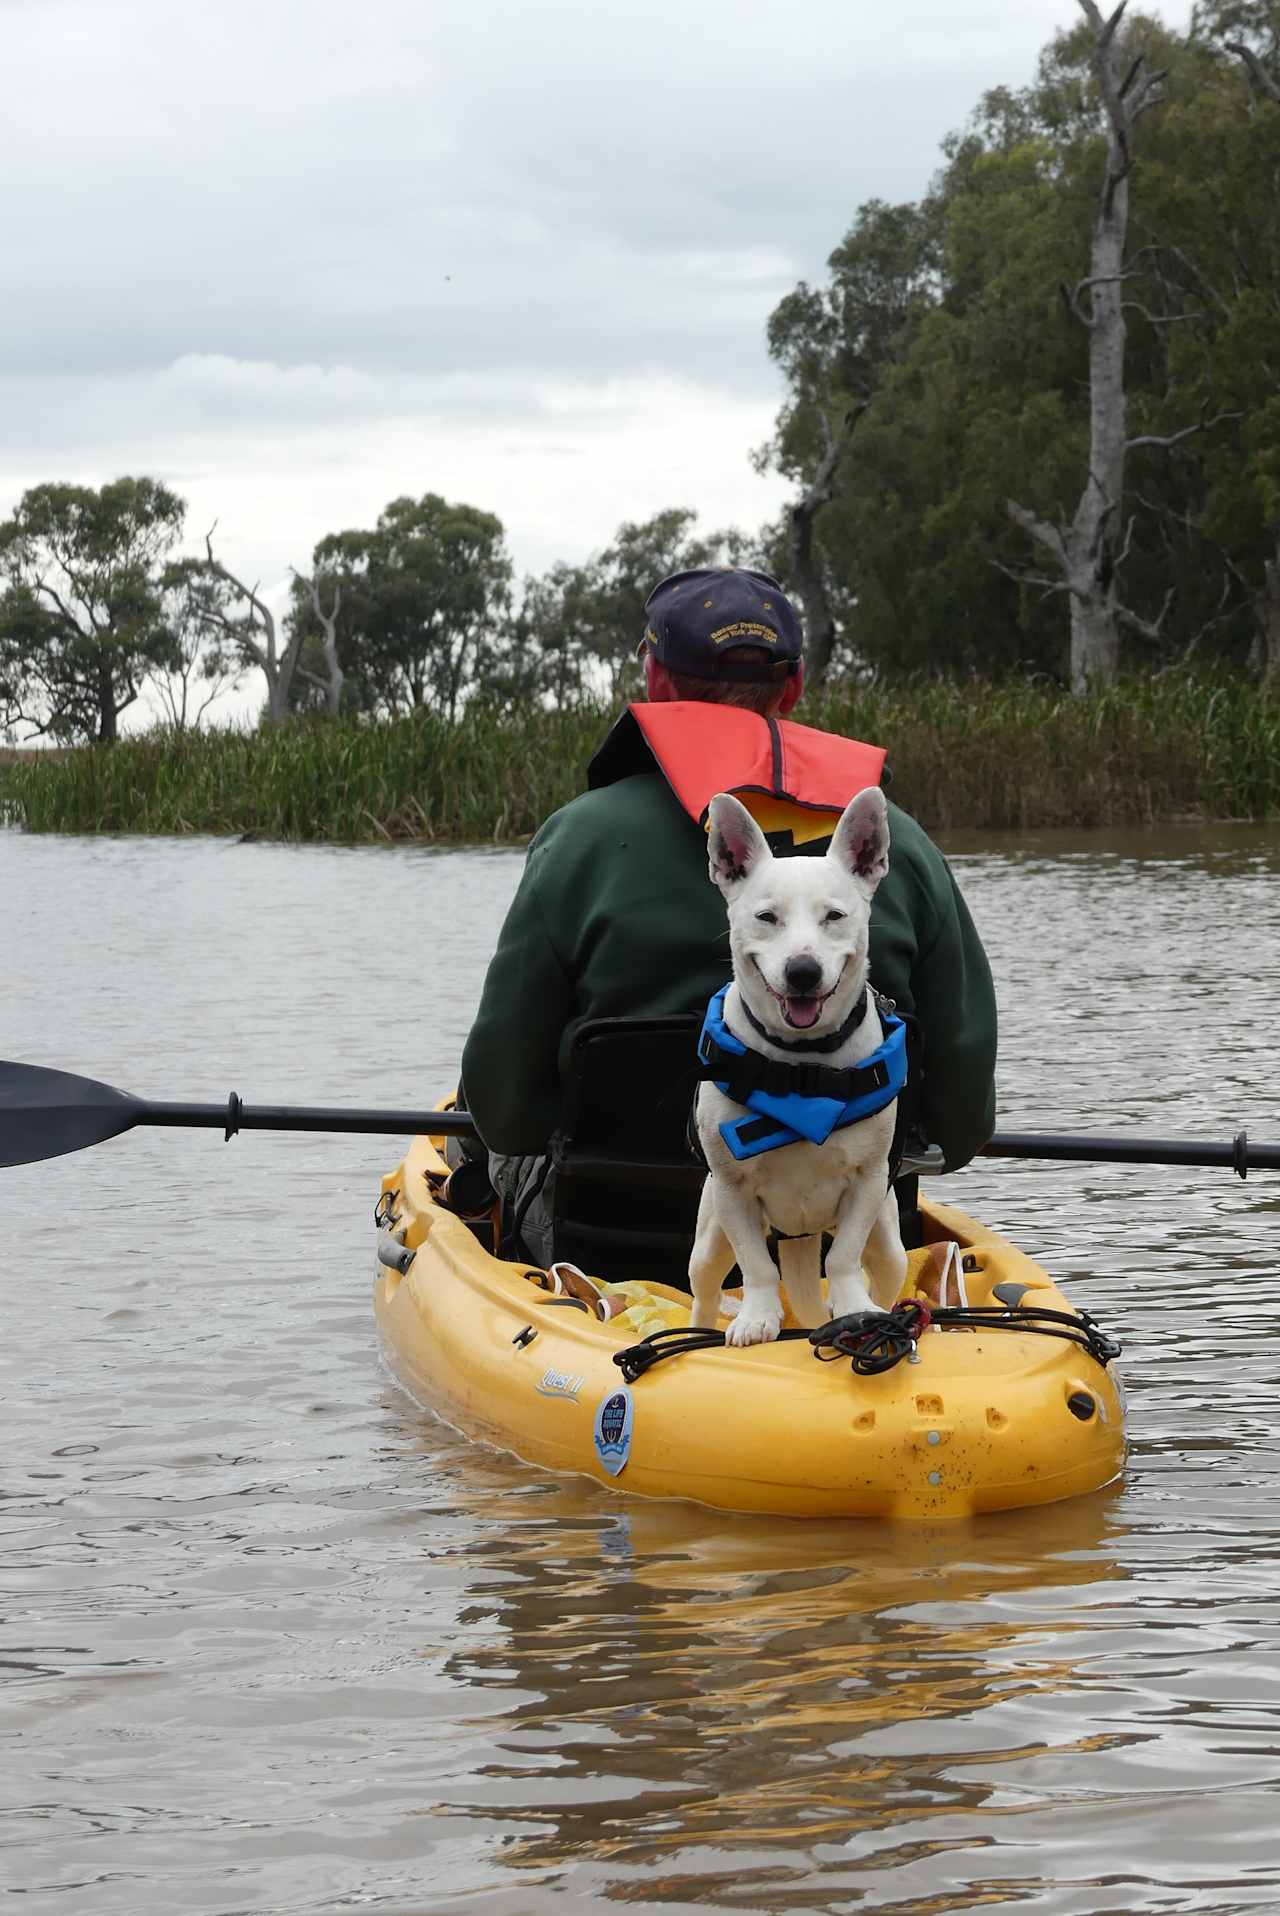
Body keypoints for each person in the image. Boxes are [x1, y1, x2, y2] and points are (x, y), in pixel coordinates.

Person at [457, 566, 997, 1268]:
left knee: (466, 1137)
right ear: (794, 687)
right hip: (847, 1240)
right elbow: (962, 1127)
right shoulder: (898, 847)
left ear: (655, 683)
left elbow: (503, 1109)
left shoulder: (576, 841)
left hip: (614, 1245)